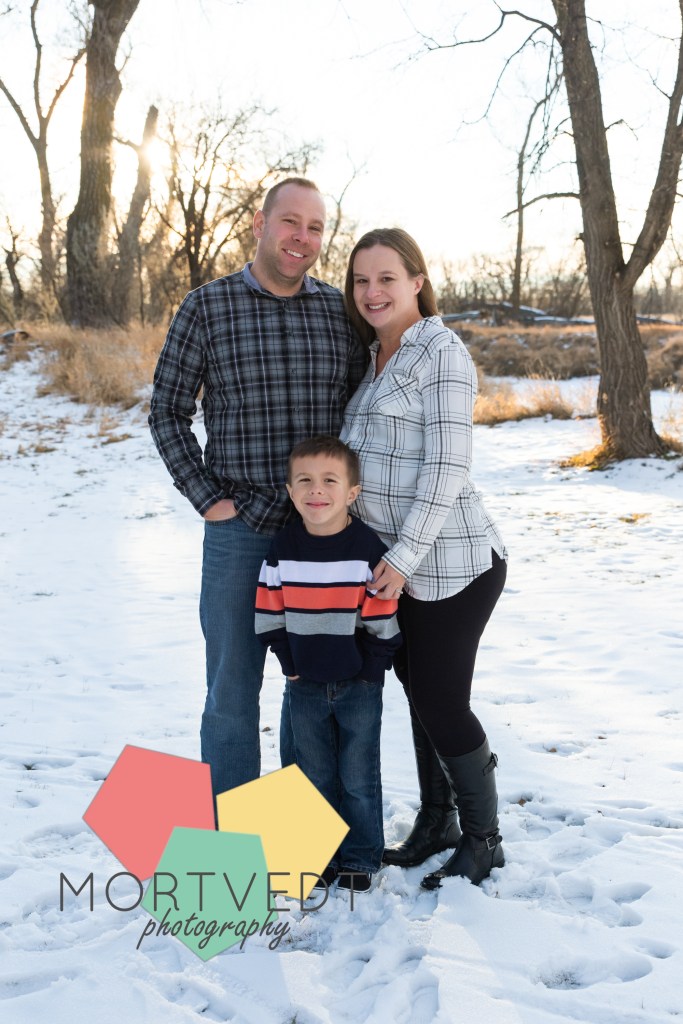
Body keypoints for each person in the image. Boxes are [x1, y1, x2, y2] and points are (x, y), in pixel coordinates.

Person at [149, 178, 368, 798]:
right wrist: (207, 499)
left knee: (314, 690)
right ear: (259, 222)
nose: (303, 237)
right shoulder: (206, 307)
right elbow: (167, 410)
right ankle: (231, 838)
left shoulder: (338, 312)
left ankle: (302, 832)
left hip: (320, 537)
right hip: (240, 531)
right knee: (231, 693)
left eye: (316, 227)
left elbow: (364, 411)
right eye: (291, 221)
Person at [340, 228, 508, 889]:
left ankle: (484, 840)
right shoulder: (371, 357)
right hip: (394, 568)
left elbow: (446, 466)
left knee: (441, 702)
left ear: (416, 280)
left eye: (386, 278)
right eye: (361, 280)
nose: (372, 291)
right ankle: (437, 822)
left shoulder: (441, 352)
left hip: (452, 564)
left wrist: (406, 555)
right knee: (419, 696)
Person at [255, 436, 401, 891]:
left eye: (329, 481)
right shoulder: (283, 547)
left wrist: (372, 668)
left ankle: (360, 858)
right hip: (304, 682)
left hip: (360, 683)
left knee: (358, 775)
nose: (316, 490)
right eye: (304, 481)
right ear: (290, 490)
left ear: (352, 492)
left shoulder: (366, 547)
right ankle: (316, 855)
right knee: (311, 772)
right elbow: (269, 609)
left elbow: (382, 610)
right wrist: (287, 662)